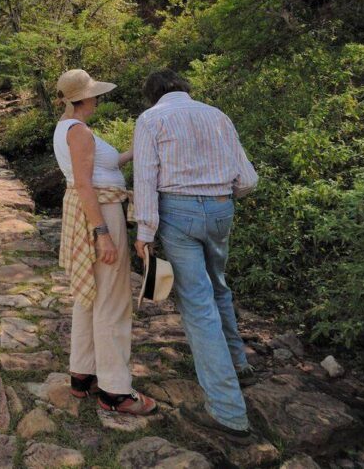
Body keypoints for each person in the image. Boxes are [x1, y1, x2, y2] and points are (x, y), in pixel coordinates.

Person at [132, 69, 259, 444]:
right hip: (222, 209)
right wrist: (220, 198)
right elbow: (248, 180)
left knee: (198, 305)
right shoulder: (217, 115)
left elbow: (146, 178)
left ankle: (228, 412)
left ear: (151, 95)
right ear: (186, 89)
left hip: (177, 212)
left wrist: (145, 233)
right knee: (219, 286)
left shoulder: (151, 119)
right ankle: (238, 363)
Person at [54, 69, 158, 416]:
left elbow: (99, 168)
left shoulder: (67, 128)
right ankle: (115, 389)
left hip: (91, 209)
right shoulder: (80, 131)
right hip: (100, 212)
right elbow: (85, 184)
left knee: (90, 296)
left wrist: (133, 153)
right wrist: (103, 234)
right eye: (94, 94)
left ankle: (82, 371)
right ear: (84, 98)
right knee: (113, 300)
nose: (98, 98)